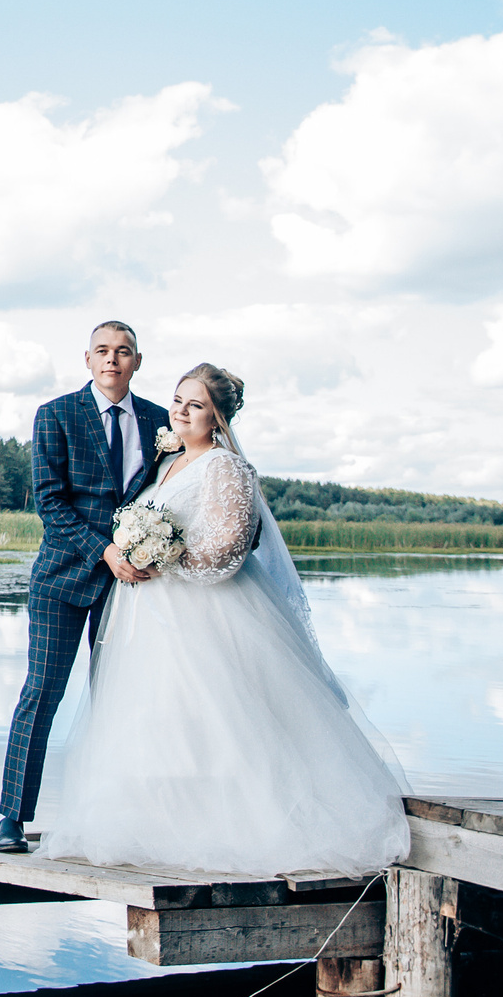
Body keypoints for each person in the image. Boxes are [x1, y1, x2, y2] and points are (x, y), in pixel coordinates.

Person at [34, 363, 410, 876]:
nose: (181, 411)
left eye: (196, 405)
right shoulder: (167, 462)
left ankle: (242, 828)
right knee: (157, 720)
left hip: (205, 613)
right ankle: (159, 828)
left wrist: (164, 556)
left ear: (217, 417)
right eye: (178, 400)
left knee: (219, 716)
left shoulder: (224, 467)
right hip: (149, 614)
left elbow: (229, 548)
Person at [0, 321, 170, 853]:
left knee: (122, 701)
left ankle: (121, 818)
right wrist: (107, 551)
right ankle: (11, 817)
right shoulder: (56, 415)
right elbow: (50, 502)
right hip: (63, 579)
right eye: (102, 351)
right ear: (87, 360)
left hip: (132, 589)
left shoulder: (161, 422)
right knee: (41, 694)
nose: (112, 360)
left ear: (138, 362)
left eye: (123, 352)